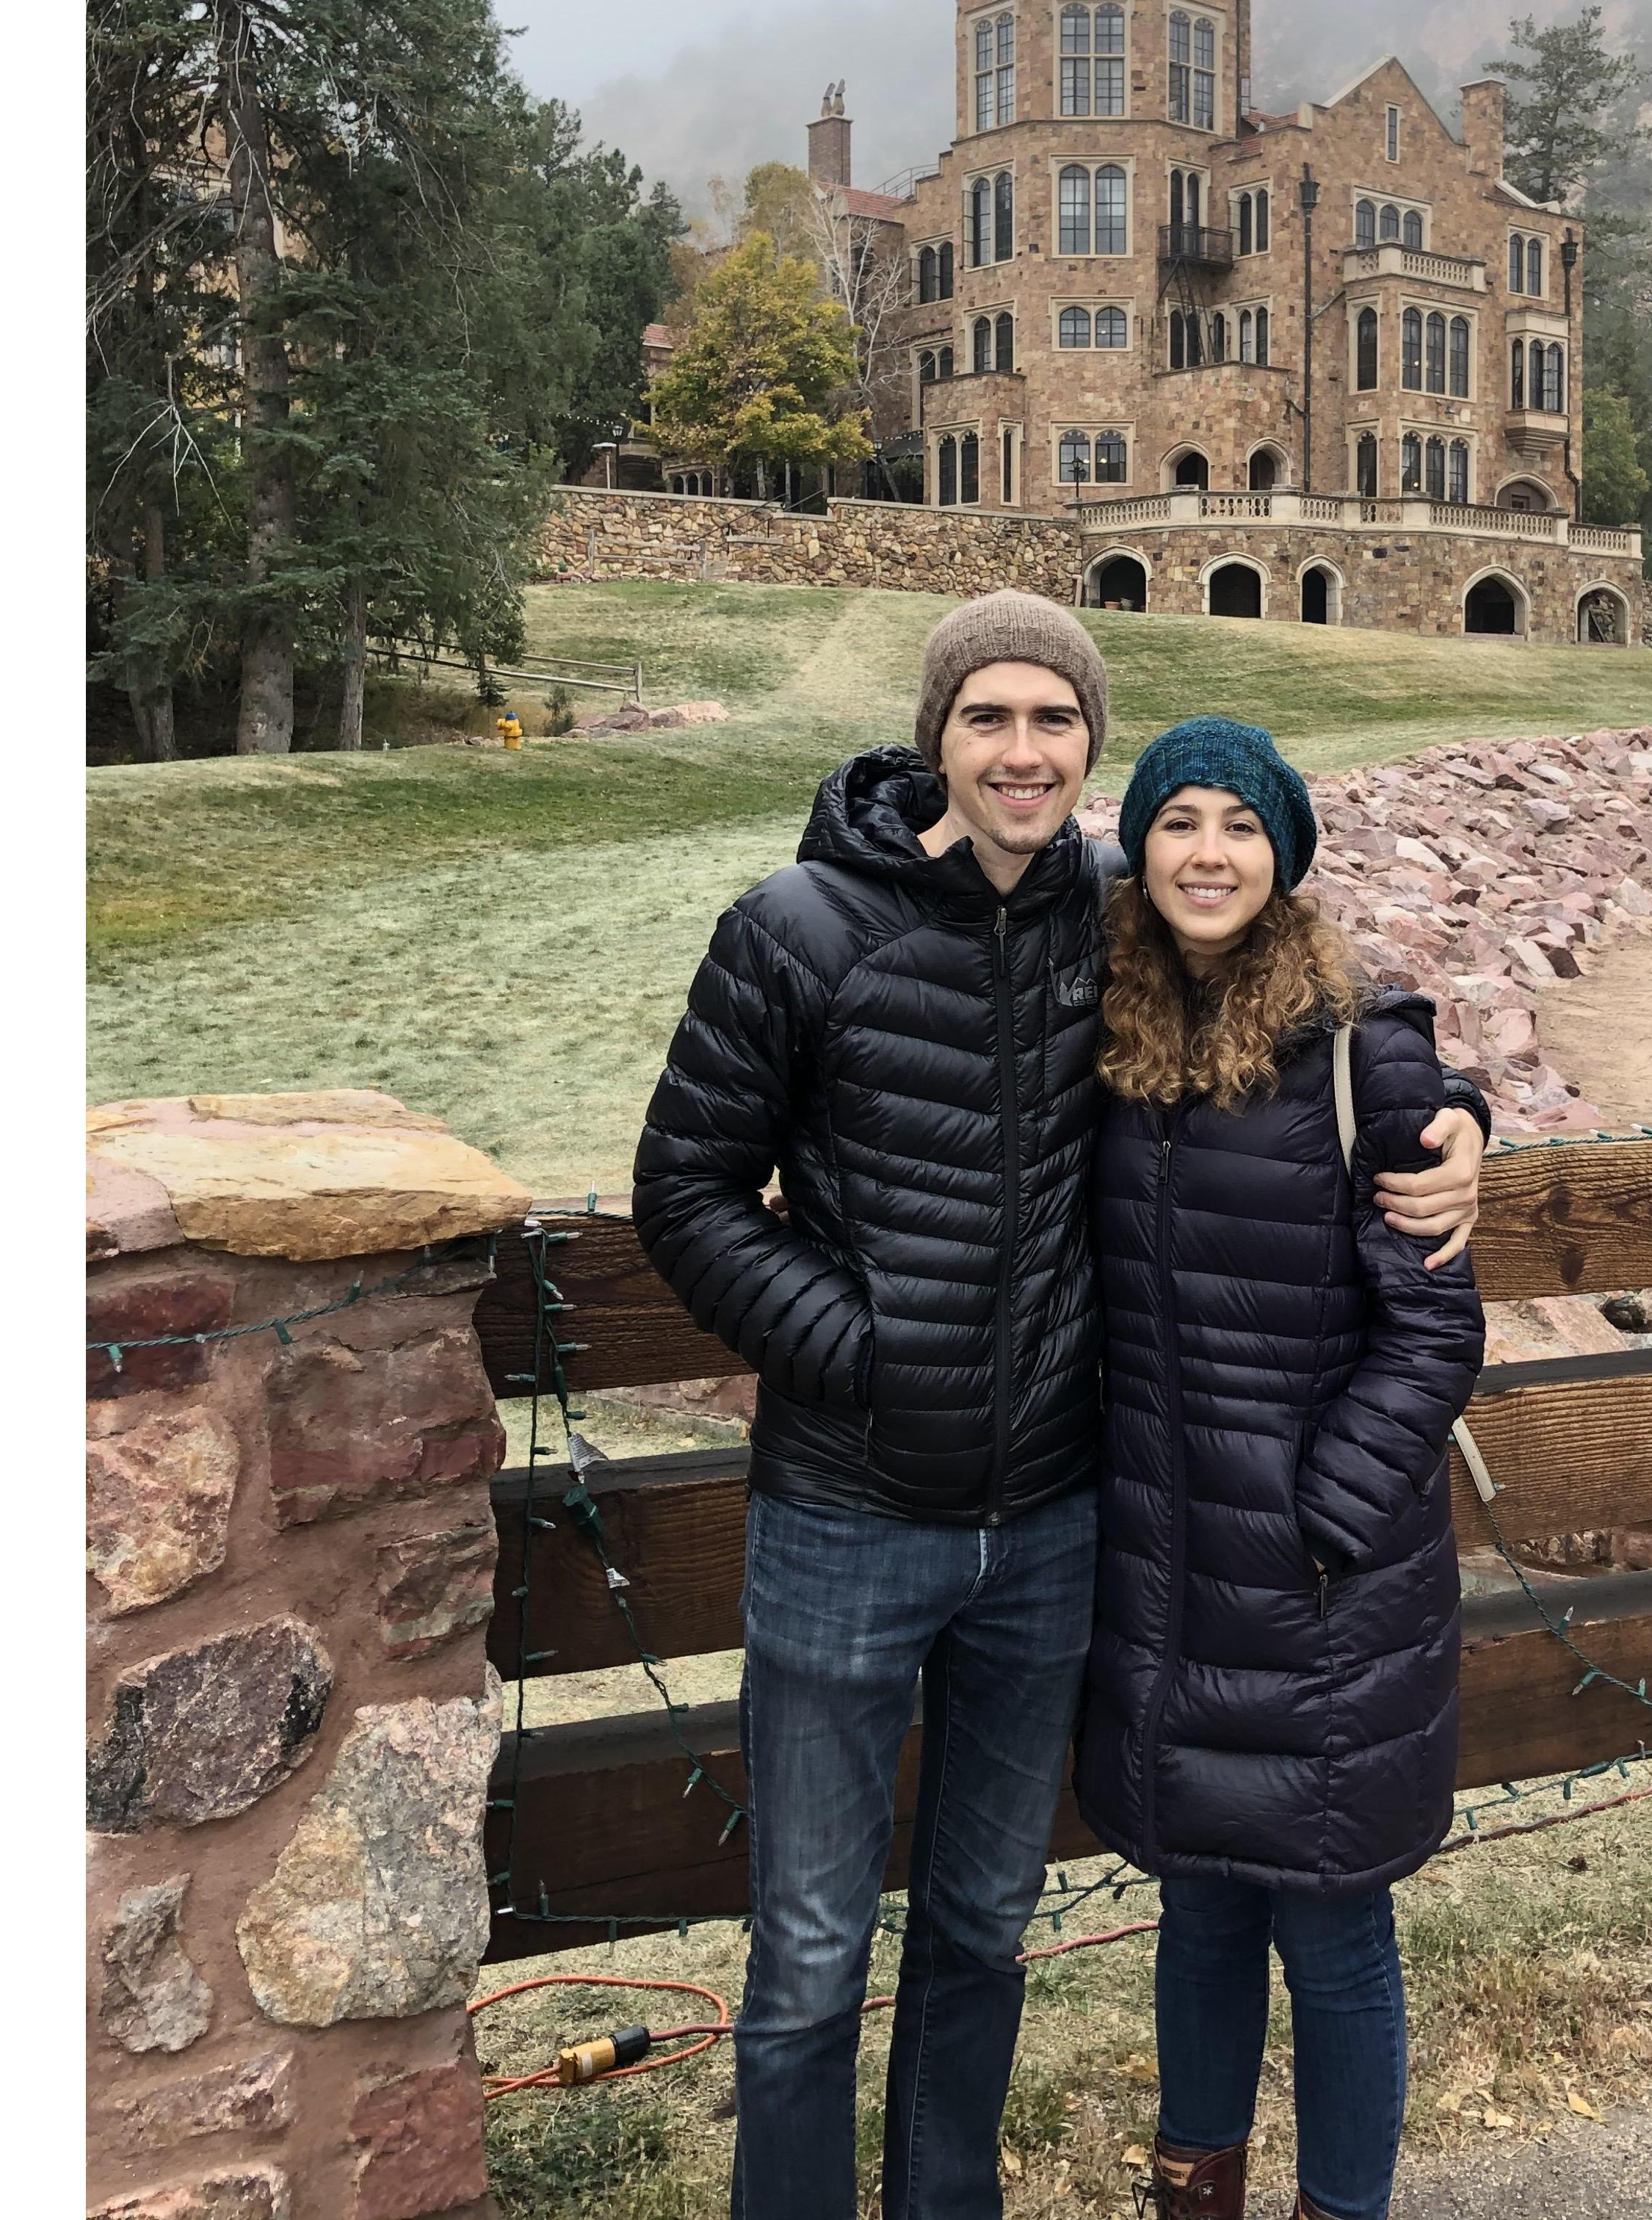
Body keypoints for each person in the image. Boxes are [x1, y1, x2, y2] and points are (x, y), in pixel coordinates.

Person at [631, 597, 1489, 2220]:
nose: (1023, 751)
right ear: (937, 735)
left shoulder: (1111, 908)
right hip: (849, 1513)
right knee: (813, 1955)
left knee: (980, 1930)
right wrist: (865, 1350)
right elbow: (684, 1189)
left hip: (1050, 1530)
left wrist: (1448, 1112)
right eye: (990, 718)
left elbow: (1333, 995)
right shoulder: (800, 926)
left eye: (1054, 721)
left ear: (1090, 746)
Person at [1073, 717, 1486, 2220]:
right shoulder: (1109, 1031)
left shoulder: (1362, 1054)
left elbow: (1432, 1335)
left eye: (1238, 824)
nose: (1205, 851)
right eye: (1176, 820)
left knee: (1331, 1930)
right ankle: (1197, 2201)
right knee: (1194, 1910)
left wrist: (1321, 1520)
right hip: (1167, 1576)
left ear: (1284, 856)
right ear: (1139, 848)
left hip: (1322, 1588)